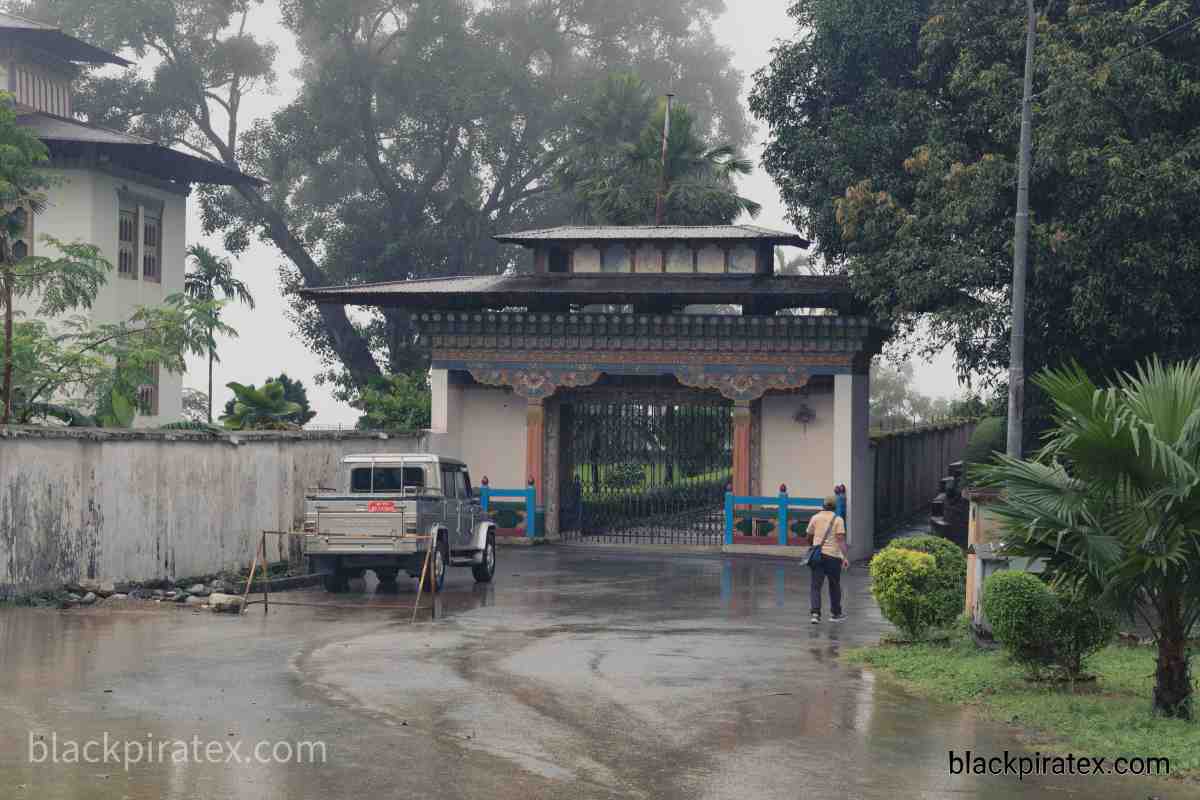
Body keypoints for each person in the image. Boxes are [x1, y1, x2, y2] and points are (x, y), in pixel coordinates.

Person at [806, 496, 849, 623]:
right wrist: (845, 557)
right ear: (835, 507)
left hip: (817, 556)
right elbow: (840, 540)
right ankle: (835, 614)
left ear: (823, 506)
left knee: (816, 586)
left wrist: (814, 546)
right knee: (834, 585)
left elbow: (809, 536)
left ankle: (815, 614)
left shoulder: (815, 518)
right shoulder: (838, 520)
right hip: (833, 556)